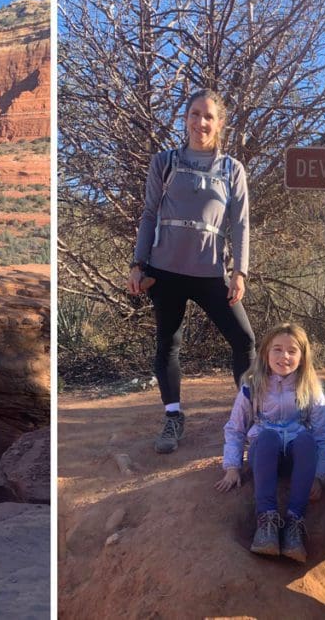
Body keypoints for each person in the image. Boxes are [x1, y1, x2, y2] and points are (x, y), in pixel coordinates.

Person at [126, 89, 256, 454]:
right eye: (194, 114)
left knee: (244, 340)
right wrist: (138, 264)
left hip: (211, 272)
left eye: (208, 116)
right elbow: (149, 215)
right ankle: (173, 416)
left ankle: (249, 416)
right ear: (185, 119)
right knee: (168, 342)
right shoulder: (164, 163)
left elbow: (241, 225)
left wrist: (240, 272)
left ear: (219, 124)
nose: (201, 122)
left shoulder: (232, 170)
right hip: (165, 270)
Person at [214, 323, 325, 563]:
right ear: (265, 353)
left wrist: (320, 476)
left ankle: (294, 522)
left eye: (292, 351)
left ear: (302, 357)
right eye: (277, 349)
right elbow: (236, 428)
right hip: (264, 455)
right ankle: (266, 521)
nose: (284, 356)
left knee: (306, 439)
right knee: (266, 436)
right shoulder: (252, 386)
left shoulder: (310, 388)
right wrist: (232, 467)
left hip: (297, 460)